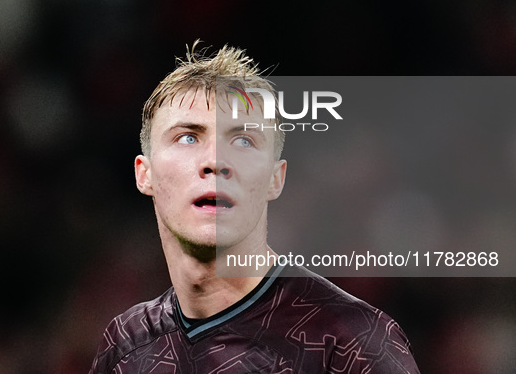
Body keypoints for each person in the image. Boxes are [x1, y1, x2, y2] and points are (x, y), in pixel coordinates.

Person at [88, 43, 420, 373]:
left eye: (243, 141)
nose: (215, 161)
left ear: (275, 179)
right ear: (144, 174)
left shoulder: (352, 341)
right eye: (188, 137)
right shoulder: (126, 345)